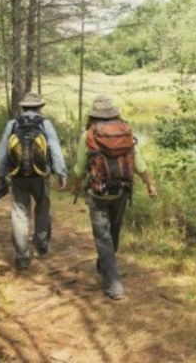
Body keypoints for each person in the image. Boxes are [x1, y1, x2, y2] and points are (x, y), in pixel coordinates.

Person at [72, 95, 157, 300]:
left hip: (98, 192)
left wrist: (76, 187)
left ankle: (113, 285)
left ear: (94, 115)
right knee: (113, 231)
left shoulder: (89, 135)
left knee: (102, 236)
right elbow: (139, 162)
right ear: (114, 113)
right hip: (122, 190)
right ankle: (106, 266)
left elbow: (80, 167)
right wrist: (150, 183)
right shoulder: (126, 132)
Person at [0, 92, 67, 269]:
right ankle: (42, 246)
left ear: (23, 107)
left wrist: (0, 176)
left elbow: (3, 153)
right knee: (42, 208)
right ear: (39, 107)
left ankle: (22, 256)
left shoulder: (12, 124)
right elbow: (55, 150)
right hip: (41, 176)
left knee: (20, 213)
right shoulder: (45, 124)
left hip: (17, 175)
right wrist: (61, 173)